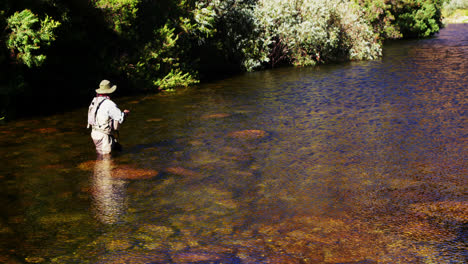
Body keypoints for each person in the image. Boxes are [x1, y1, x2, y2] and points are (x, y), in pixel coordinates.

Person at [87, 80, 130, 155]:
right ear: (109, 92)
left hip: (95, 133)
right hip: (103, 136)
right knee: (105, 161)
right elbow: (121, 118)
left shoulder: (94, 101)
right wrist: (125, 113)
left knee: (103, 155)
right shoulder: (109, 104)